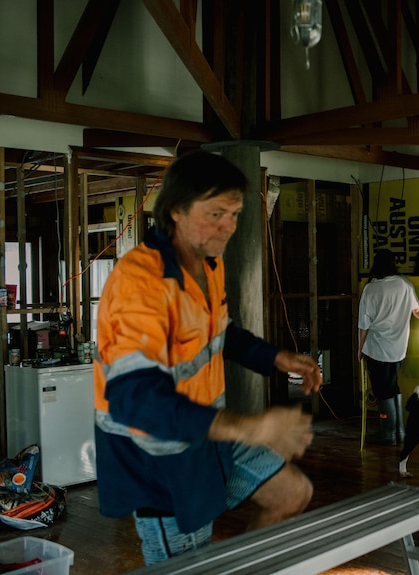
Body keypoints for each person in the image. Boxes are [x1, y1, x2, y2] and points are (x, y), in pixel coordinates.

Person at [93, 151, 322, 566]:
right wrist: (253, 426)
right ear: (176, 211)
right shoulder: (141, 281)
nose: (229, 227)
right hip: (159, 459)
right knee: (189, 563)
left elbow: (220, 334)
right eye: (216, 213)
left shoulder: (206, 264)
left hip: (206, 438)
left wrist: (276, 357)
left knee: (291, 493)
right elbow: (134, 398)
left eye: (234, 213)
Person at [358, 249, 419, 445]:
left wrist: (359, 349)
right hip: (398, 349)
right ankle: (399, 431)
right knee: (393, 387)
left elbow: (363, 325)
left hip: (376, 349)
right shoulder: (404, 284)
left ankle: (388, 434)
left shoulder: (370, 289)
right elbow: (417, 311)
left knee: (382, 392)